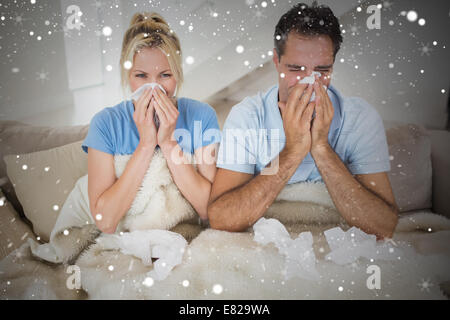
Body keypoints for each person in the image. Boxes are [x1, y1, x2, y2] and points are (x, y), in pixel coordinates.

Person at [208, 2, 399, 240]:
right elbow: (221, 218)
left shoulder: (360, 118)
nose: (308, 82)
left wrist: (320, 147)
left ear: (332, 66)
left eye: (321, 70)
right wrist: (293, 151)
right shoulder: (248, 116)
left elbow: (384, 226)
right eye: (296, 68)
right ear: (276, 62)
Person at [82, 12, 221, 234]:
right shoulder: (105, 123)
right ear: (127, 74)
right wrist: (146, 144)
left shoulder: (201, 116)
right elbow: (105, 222)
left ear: (178, 73)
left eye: (165, 75)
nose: (154, 88)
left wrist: (168, 143)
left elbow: (210, 210)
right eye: (141, 76)